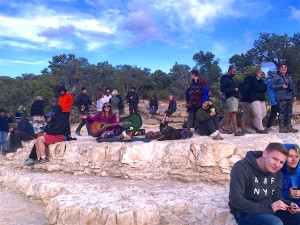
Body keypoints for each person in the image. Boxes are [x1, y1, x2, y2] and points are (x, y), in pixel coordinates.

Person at [229, 142, 300, 225]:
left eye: (281, 162)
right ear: (265, 153)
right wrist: (269, 208)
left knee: (298, 217)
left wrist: (288, 205)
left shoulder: (277, 172)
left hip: (268, 208)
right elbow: (236, 200)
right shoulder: (241, 167)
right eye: (275, 159)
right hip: (245, 211)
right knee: (275, 223)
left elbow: (277, 197)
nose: (277, 165)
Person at [270, 63, 298, 133]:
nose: (284, 69)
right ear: (279, 69)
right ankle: (281, 127)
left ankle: (288, 126)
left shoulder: (289, 76)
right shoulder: (276, 77)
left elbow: (292, 86)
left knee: (289, 112)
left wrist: (294, 95)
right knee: (282, 112)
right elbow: (272, 86)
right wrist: (281, 86)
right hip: (281, 97)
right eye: (282, 68)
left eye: (285, 68)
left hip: (289, 97)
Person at [220, 65, 244, 136]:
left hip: (234, 97)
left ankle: (225, 128)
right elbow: (223, 89)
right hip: (231, 98)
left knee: (230, 114)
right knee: (234, 114)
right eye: (233, 72)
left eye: (235, 72)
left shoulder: (230, 79)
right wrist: (234, 89)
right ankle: (236, 131)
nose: (234, 73)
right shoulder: (224, 78)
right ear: (229, 71)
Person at [249, 67, 268, 134]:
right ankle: (260, 128)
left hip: (261, 98)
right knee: (258, 114)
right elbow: (257, 88)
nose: (260, 74)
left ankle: (255, 125)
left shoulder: (261, 81)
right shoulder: (252, 80)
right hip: (254, 98)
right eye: (259, 73)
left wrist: (261, 88)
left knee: (264, 113)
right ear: (256, 73)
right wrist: (261, 89)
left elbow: (265, 88)